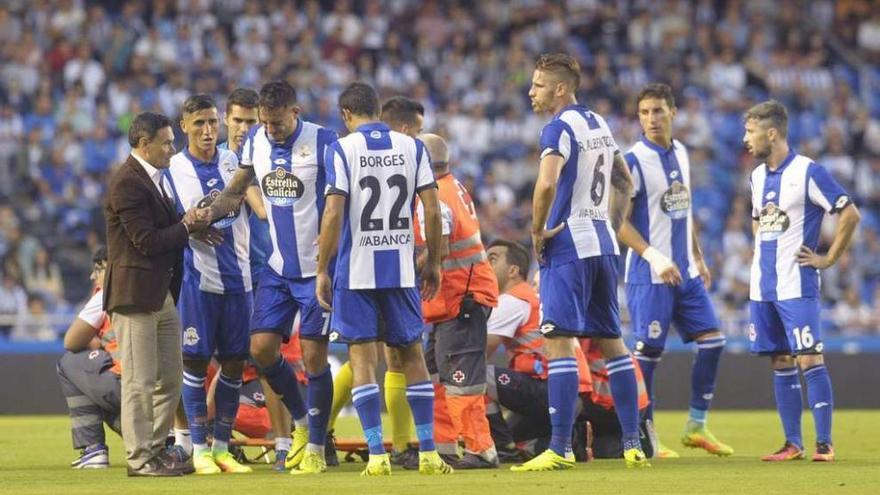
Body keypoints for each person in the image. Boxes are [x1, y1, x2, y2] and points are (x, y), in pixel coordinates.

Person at [514, 53, 647, 471]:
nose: (530, 91)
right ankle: (632, 444)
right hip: (603, 245)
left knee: (558, 341)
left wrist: (537, 231)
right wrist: (614, 222)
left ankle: (559, 447)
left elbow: (548, 182)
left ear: (559, 88)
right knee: (612, 343)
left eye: (537, 85)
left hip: (568, 245)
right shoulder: (599, 123)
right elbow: (625, 180)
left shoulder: (557, 128)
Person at [316, 81, 452, 476]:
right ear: (377, 110)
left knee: (362, 358)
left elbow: (333, 214)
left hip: (356, 271)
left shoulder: (341, 149)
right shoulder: (413, 147)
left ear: (346, 115)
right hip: (400, 267)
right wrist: (435, 262)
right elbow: (431, 207)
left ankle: (377, 456)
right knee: (411, 354)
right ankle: (427, 452)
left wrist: (323, 268)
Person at [209, 80, 338, 474]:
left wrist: (332, 257)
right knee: (261, 348)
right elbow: (236, 190)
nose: (270, 129)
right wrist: (206, 214)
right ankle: (301, 421)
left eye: (277, 123)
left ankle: (315, 445)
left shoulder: (324, 141)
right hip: (279, 268)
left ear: (295, 113)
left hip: (317, 271)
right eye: (265, 123)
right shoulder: (255, 143)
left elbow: (341, 200)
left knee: (315, 359)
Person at [618, 83, 732, 458]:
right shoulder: (632, 161)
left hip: (685, 272)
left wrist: (696, 255)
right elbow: (616, 222)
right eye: (645, 112)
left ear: (673, 113)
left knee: (714, 341)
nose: (651, 119)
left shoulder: (682, 152)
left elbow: (681, 210)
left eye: (658, 111)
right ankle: (646, 439)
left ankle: (696, 425)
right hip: (649, 275)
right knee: (648, 355)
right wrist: (654, 256)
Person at [743, 100, 860, 462]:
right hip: (763, 287)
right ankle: (792, 443)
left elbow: (849, 214)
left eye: (751, 131)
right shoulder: (757, 177)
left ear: (772, 132)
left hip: (797, 285)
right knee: (780, 360)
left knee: (809, 357)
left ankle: (824, 443)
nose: (746, 139)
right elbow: (757, 219)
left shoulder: (809, 172)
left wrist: (828, 259)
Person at [104, 111, 213, 476]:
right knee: (138, 380)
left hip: (160, 292)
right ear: (143, 143)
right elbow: (147, 241)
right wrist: (186, 226)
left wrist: (193, 227)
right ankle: (139, 458)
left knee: (169, 376)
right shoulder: (127, 184)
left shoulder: (155, 178)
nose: (172, 148)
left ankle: (154, 449)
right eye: (166, 142)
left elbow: (168, 227)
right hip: (134, 295)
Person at [484, 240, 652, 461]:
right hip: (607, 399)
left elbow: (477, 354)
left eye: (540, 287)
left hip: (595, 397)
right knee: (519, 439)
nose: (537, 293)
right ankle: (581, 441)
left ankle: (554, 442)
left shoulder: (524, 302)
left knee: (474, 374)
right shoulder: (575, 309)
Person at [164, 94, 253, 474]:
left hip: (241, 277)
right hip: (199, 280)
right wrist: (198, 222)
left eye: (213, 123)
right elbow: (183, 221)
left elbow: (208, 215)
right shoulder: (172, 168)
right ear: (184, 126)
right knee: (195, 362)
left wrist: (205, 218)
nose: (207, 131)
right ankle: (198, 449)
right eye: (199, 123)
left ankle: (221, 447)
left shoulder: (233, 161)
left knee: (234, 363)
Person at [415, 133, 500, 468]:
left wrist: (407, 268)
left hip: (460, 298)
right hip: (454, 299)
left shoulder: (433, 198)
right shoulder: (454, 186)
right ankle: (445, 446)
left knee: (460, 377)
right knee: (437, 374)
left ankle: (482, 449)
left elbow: (441, 247)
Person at [57, 247, 120, 469]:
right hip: (166, 397)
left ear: (112, 267)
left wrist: (98, 343)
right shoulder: (158, 285)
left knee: (68, 363)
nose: (93, 276)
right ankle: (168, 440)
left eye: (99, 269)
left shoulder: (108, 291)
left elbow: (71, 341)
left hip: (127, 386)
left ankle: (93, 448)